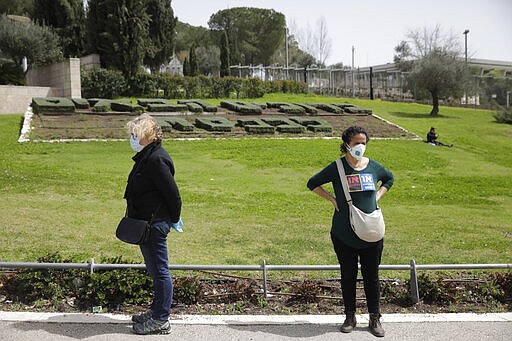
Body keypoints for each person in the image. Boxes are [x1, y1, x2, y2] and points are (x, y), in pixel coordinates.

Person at [307, 126, 394, 338]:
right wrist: (332, 200)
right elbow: (312, 183)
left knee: (371, 277)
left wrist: (378, 196)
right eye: (356, 142)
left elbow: (389, 179)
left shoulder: (373, 166)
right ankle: (349, 316)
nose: (360, 147)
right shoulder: (337, 167)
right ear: (346, 143)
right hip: (344, 233)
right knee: (348, 276)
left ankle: (375, 318)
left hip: (371, 233)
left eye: (363, 142)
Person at [124, 113, 183, 335]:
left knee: (160, 272)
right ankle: (157, 310)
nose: (132, 138)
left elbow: (173, 196)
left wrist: (172, 220)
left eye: (135, 134)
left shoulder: (156, 159)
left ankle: (161, 319)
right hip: (146, 223)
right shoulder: (147, 156)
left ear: (147, 136)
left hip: (155, 224)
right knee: (155, 270)